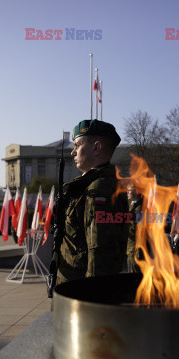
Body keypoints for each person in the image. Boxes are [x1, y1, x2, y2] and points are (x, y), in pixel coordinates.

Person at [56, 119, 129, 285]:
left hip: (78, 291)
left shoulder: (99, 189)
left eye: (77, 145)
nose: (73, 153)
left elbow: (99, 253)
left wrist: (91, 297)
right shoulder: (93, 185)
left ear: (96, 147)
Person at [126, 184, 143, 273]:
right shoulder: (130, 204)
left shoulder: (141, 207)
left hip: (136, 245)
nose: (127, 193)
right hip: (130, 244)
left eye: (130, 191)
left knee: (134, 269)